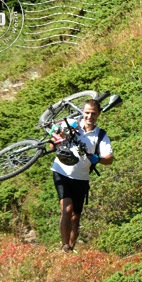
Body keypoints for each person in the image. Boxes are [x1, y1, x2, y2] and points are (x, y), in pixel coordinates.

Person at [50, 99, 114, 253]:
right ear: (82, 112)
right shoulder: (71, 124)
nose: (89, 116)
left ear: (98, 114)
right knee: (67, 209)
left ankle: (70, 249)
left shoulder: (101, 135)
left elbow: (109, 158)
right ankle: (64, 246)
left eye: (93, 113)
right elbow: (52, 144)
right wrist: (56, 136)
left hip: (81, 179)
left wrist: (98, 159)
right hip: (61, 171)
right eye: (86, 113)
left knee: (75, 218)